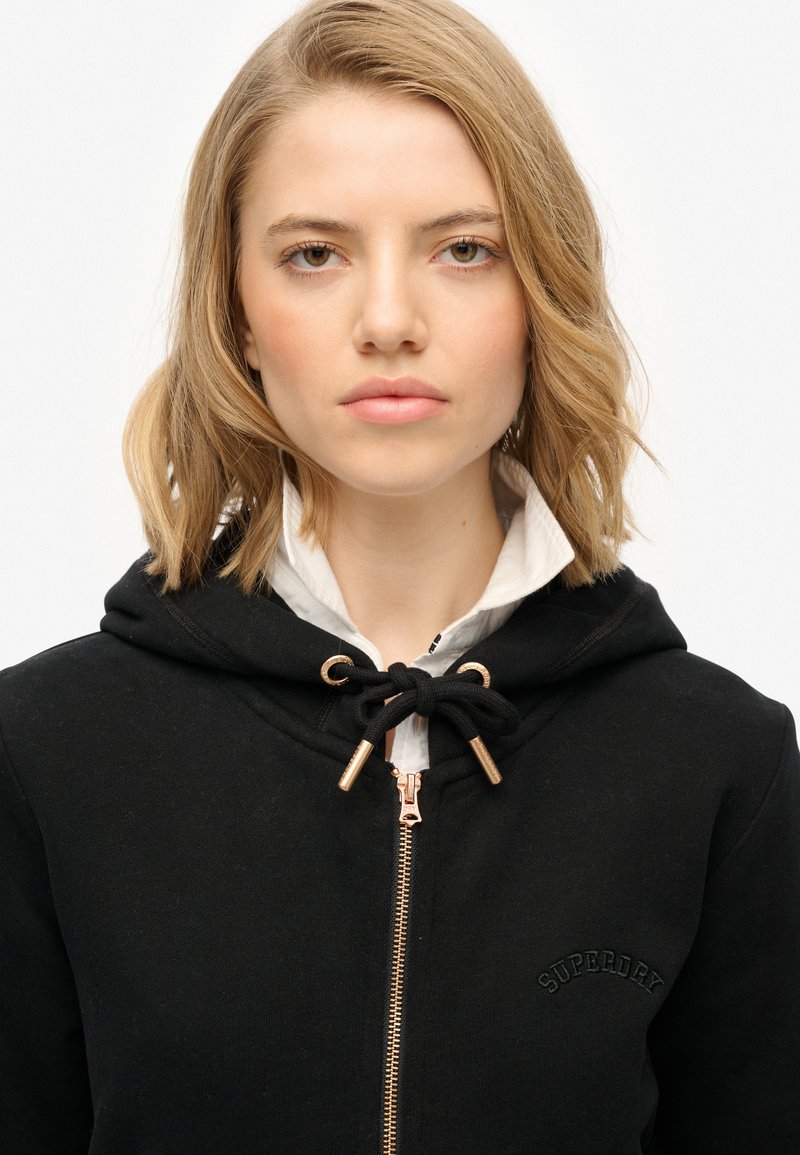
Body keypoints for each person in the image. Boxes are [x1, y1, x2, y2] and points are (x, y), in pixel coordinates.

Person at [1, 0, 798, 1151]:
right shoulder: (44, 752)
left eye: (463, 249)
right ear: (236, 312)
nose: (387, 321)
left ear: (540, 293)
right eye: (313, 254)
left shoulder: (721, 766)